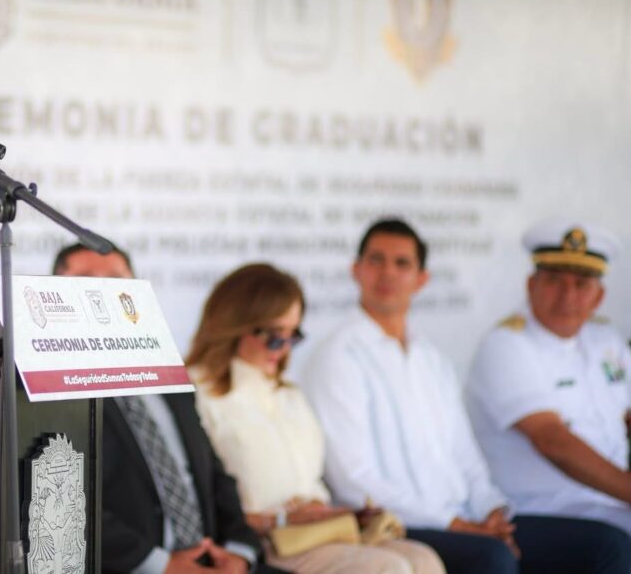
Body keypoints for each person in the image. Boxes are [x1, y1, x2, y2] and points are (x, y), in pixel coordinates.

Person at [302, 218, 631, 574]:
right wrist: (454, 524)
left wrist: (492, 510)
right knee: (492, 558)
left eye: (402, 264)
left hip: (464, 517)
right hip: (401, 523)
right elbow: (354, 481)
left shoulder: (430, 359)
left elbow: (465, 454)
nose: (388, 274)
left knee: (605, 545)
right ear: (356, 270)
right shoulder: (338, 356)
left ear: (421, 279)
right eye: (376, 261)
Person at [185, 262, 445, 574]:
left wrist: (328, 512)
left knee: (424, 560)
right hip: (265, 540)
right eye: (274, 337)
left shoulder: (289, 394)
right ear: (234, 326)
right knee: (386, 568)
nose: (282, 349)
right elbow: (202, 504)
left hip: (322, 533)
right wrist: (281, 519)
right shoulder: (197, 394)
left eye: (292, 336)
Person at [53, 244, 280, 574]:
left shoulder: (167, 372)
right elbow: (59, 501)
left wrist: (238, 552)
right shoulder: (45, 388)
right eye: (86, 280)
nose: (102, 292)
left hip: (215, 560)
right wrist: (161, 565)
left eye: (117, 280)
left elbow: (213, 475)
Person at [466, 220, 631, 536]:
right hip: (541, 510)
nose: (567, 296)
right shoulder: (506, 345)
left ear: (599, 297)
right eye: (554, 281)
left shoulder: (604, 340)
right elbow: (552, 441)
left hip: (608, 503)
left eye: (581, 285)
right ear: (531, 286)